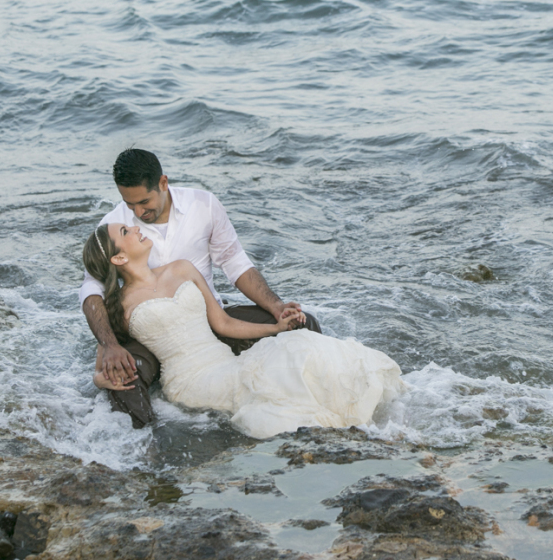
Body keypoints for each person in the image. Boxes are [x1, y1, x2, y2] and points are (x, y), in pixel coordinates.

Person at [82, 223, 403, 438]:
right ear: (120, 256)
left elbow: (222, 323)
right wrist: (103, 379)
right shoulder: (119, 305)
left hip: (226, 359)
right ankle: (347, 430)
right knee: (281, 377)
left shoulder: (181, 269)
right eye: (126, 230)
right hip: (189, 381)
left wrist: (276, 327)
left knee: (298, 345)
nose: (136, 227)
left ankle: (357, 416)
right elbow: (102, 366)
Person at [80, 148, 321, 428]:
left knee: (302, 325)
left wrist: (275, 306)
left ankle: (316, 398)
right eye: (128, 204)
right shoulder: (114, 227)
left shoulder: (203, 205)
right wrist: (110, 346)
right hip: (151, 335)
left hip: (209, 321)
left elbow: (234, 262)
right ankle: (148, 448)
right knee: (123, 377)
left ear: (163, 183)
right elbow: (92, 290)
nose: (137, 212)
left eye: (144, 202)